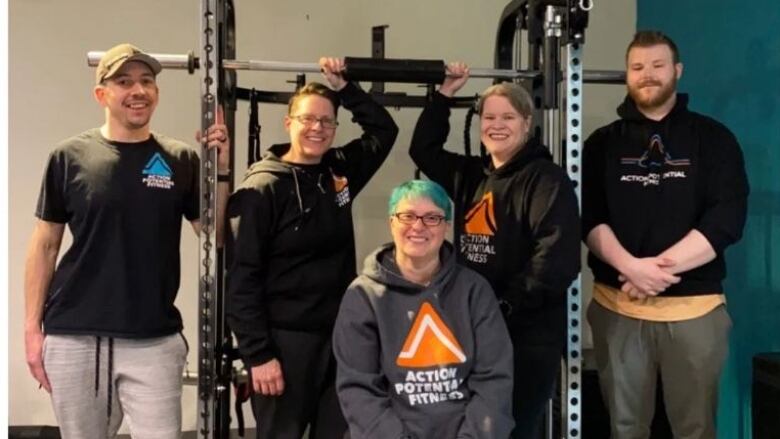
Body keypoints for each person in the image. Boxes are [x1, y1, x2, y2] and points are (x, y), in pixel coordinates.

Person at [23, 43, 231, 438]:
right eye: (124, 82)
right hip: (76, 335)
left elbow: (215, 236)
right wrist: (33, 330)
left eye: (147, 81)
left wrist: (220, 172)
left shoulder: (181, 159)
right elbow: (45, 244)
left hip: (153, 338)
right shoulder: (69, 157)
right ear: (102, 94)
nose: (138, 90)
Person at [582, 30, 749, 438]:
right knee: (625, 427)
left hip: (695, 311)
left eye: (657, 65)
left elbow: (725, 218)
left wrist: (654, 272)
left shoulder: (713, 139)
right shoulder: (601, 144)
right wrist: (629, 268)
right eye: (638, 67)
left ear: (677, 71)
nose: (648, 75)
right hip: (618, 309)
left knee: (695, 428)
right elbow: (588, 216)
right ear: (627, 75)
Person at [226, 57, 399, 439]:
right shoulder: (261, 189)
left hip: (339, 339)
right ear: (289, 123)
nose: (317, 128)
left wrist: (344, 88)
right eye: (308, 119)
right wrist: (258, 355)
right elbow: (241, 278)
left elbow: (384, 130)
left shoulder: (339, 170)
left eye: (326, 121)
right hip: (284, 345)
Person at [409, 66, 581, 438]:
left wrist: (503, 307)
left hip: (526, 338)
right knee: (473, 428)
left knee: (514, 430)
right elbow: (422, 149)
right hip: (472, 332)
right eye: (489, 117)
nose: (497, 125)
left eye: (507, 117)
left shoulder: (546, 179)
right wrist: (445, 95)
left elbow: (554, 260)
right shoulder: (472, 175)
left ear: (526, 123)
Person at [333, 179, 515, 439]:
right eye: (407, 216)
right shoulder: (363, 297)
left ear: (447, 226)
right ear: (391, 222)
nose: (418, 226)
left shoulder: (474, 291)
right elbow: (359, 390)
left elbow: (494, 382)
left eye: (432, 218)